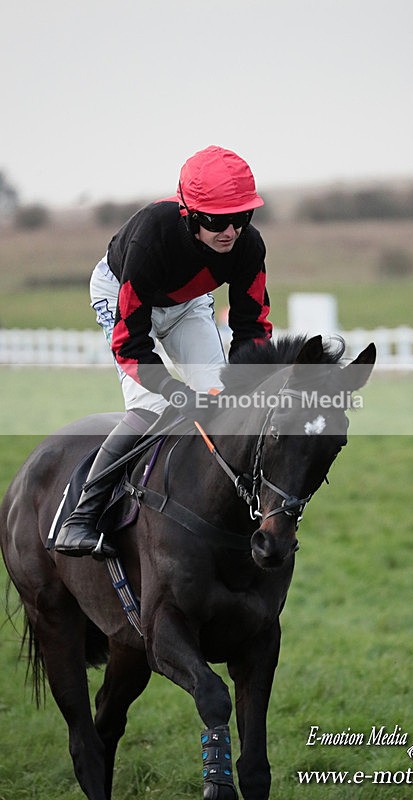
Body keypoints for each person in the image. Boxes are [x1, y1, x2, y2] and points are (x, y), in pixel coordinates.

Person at [54, 145, 272, 558]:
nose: (230, 232)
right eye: (216, 221)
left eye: (241, 218)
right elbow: (130, 343)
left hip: (188, 304)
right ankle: (80, 517)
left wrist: (247, 382)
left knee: (221, 398)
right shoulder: (151, 238)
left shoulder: (249, 247)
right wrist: (172, 390)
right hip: (124, 296)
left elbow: (252, 325)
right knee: (153, 406)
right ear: (190, 215)